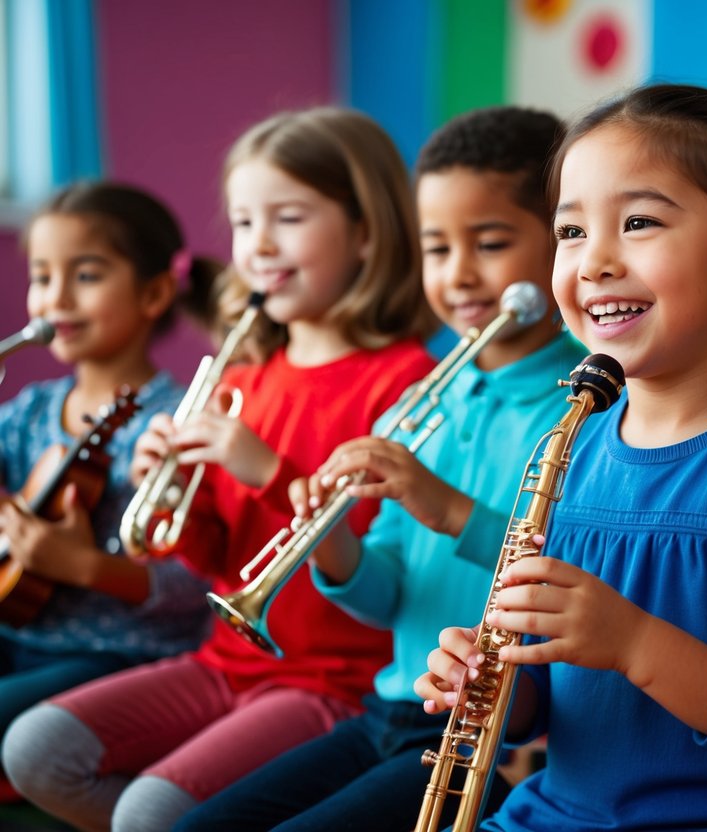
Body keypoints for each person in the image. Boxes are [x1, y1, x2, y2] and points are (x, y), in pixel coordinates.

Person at [416, 84, 707, 832]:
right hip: (552, 811)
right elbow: (554, 702)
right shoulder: (573, 439)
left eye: (637, 223)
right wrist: (492, 681)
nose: (593, 262)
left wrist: (634, 643)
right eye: (569, 231)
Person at [3, 107, 438, 832]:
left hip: (333, 681)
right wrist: (171, 497)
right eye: (241, 222)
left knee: (148, 811)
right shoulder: (247, 375)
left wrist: (265, 468)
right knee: (35, 750)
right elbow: (218, 560)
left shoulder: (404, 380)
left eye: (288, 217)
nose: (258, 244)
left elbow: (372, 558)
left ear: (366, 231)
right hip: (225, 660)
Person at [172, 105, 580, 832]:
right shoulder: (427, 397)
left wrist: (443, 506)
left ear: (562, 243)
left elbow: (575, 564)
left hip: (489, 736)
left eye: (489, 243)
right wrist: (331, 544)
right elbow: (390, 594)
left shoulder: (582, 405)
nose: (458, 275)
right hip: (390, 705)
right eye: (436, 248)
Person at [0, 182, 216, 799]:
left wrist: (84, 566)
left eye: (86, 275)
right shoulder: (32, 410)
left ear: (153, 293)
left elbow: (192, 585)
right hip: (17, 630)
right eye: (42, 277)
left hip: (118, 652)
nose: (55, 298)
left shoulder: (176, 421)